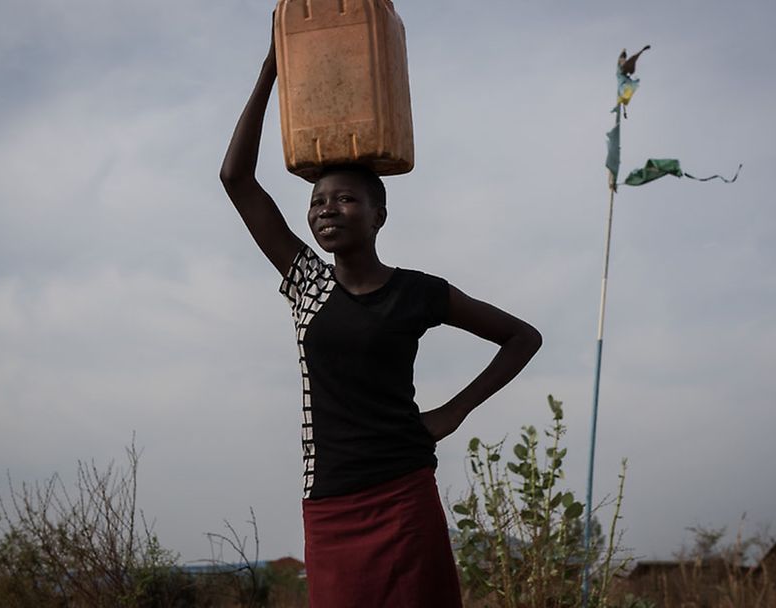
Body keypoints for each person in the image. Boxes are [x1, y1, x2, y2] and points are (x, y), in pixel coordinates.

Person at [220, 29, 542, 608]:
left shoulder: (419, 292)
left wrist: (453, 410)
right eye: (317, 202)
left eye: (344, 199)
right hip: (332, 501)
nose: (326, 210)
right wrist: (272, 67)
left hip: (404, 494)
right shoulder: (308, 285)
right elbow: (235, 179)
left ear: (378, 214)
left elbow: (522, 337)